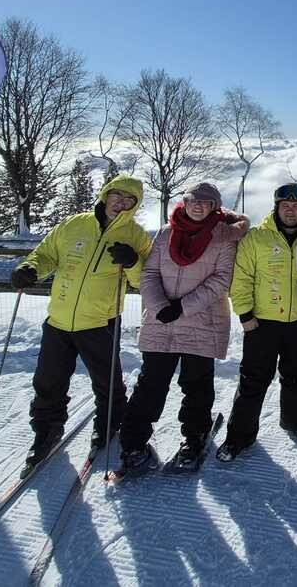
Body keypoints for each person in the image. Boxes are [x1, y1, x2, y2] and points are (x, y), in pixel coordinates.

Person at [11, 175, 152, 469]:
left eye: (130, 200)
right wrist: (30, 268)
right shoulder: (74, 223)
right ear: (106, 194)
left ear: (135, 206)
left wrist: (133, 260)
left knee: (107, 382)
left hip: (99, 321)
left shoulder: (136, 235)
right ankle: (46, 431)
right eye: (118, 196)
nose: (121, 203)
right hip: (59, 320)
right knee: (48, 381)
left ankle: (109, 423)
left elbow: (143, 279)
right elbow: (47, 254)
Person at [111, 183, 249, 476]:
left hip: (202, 322)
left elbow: (221, 281)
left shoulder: (224, 238)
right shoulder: (164, 233)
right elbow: (149, 273)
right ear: (184, 203)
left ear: (215, 207)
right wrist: (160, 306)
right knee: (150, 385)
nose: (198, 206)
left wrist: (182, 307)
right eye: (193, 201)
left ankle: (195, 437)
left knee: (197, 385)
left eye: (206, 202)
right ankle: (133, 443)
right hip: (162, 322)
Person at [216, 183, 297, 461]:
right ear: (276, 207)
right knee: (253, 379)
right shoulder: (257, 238)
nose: (291, 211)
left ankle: (294, 420)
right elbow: (240, 279)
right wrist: (246, 315)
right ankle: (239, 436)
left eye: (296, 206)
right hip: (262, 322)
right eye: (285, 206)